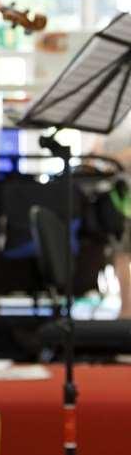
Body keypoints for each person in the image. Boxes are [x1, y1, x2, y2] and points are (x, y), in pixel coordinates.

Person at [90, 113, 131, 317]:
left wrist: (110, 160)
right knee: (120, 253)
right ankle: (126, 309)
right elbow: (95, 153)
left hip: (126, 193)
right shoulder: (109, 120)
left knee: (123, 253)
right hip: (113, 197)